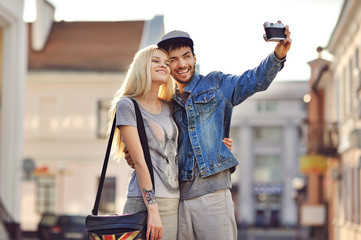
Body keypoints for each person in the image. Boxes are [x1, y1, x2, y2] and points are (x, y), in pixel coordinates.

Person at [126, 22, 291, 239]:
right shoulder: (166, 102)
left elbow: (253, 81)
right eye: (173, 60)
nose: (181, 64)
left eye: (186, 56)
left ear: (195, 58)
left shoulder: (216, 84)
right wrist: (135, 154)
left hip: (213, 195)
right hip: (178, 200)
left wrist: (277, 55)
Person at [108, 45, 177, 240]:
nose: (163, 66)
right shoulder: (127, 105)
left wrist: (223, 143)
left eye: (166, 63)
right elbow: (139, 162)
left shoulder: (170, 106)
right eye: (155, 61)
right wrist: (153, 210)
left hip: (174, 202)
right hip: (144, 203)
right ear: (141, 67)